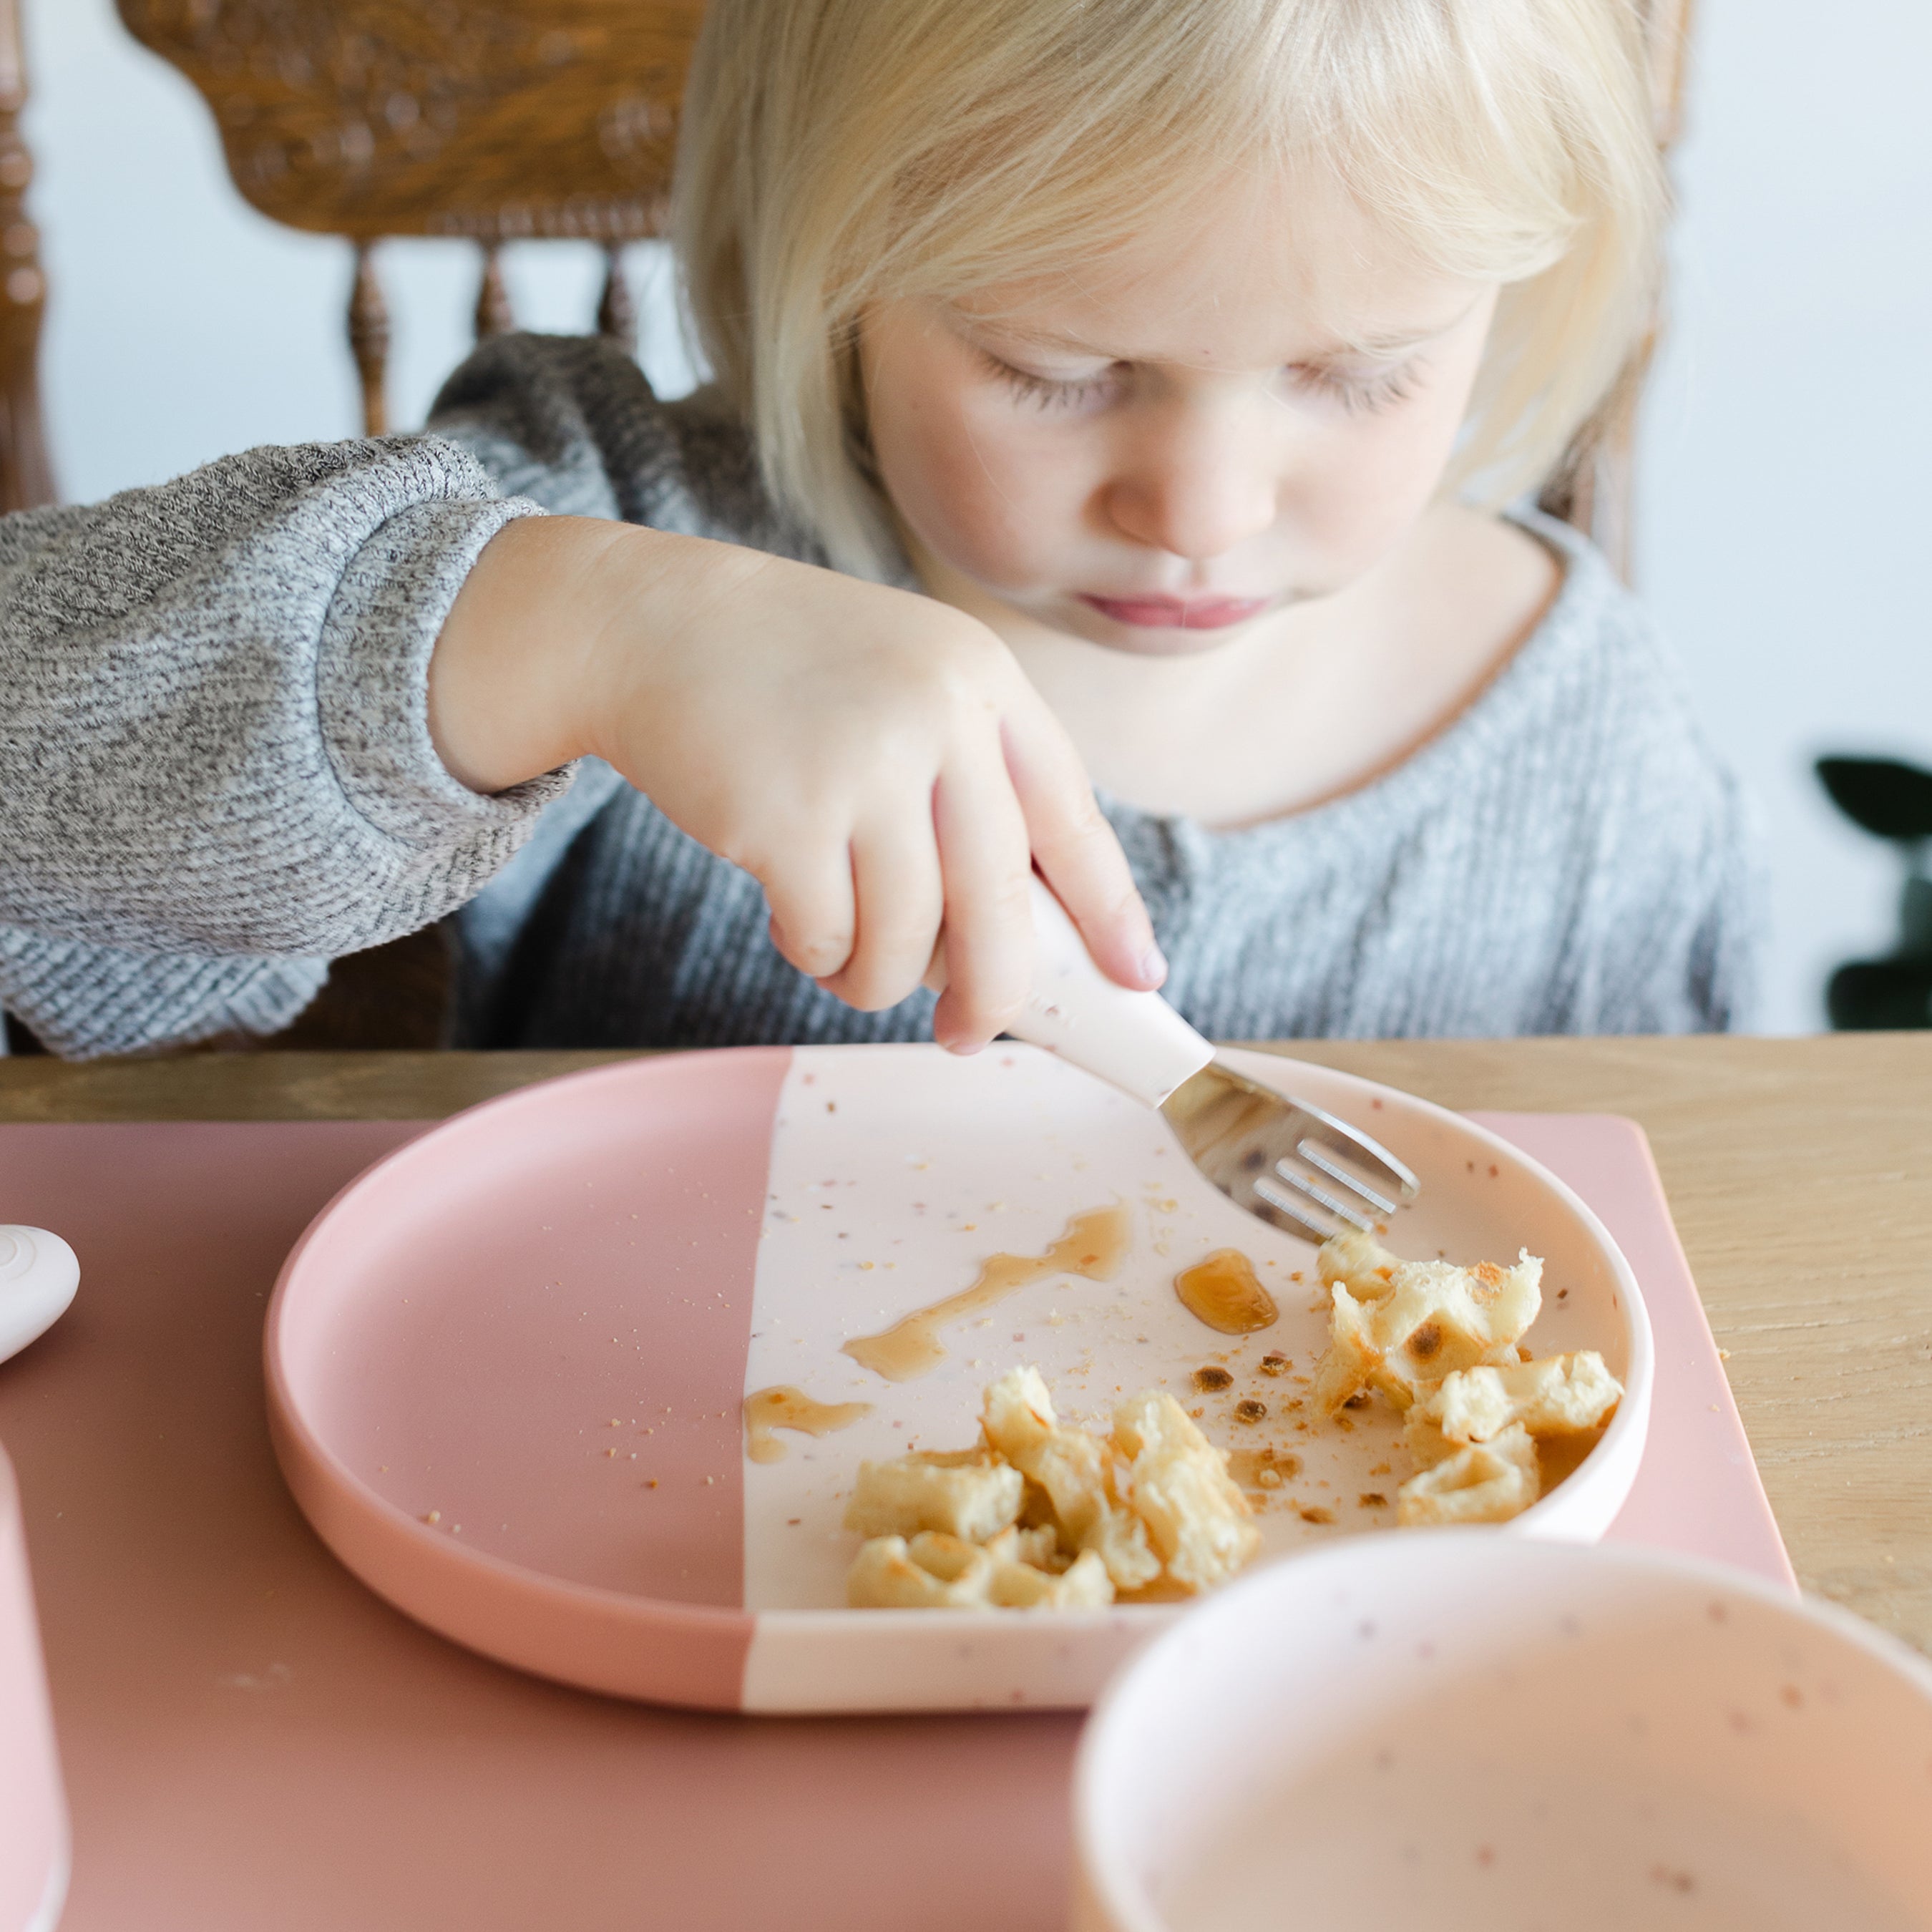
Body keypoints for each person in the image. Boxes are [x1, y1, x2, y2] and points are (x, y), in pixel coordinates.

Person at [0, 0, 1756, 1063]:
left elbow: (1685, 1279)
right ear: (829, 271)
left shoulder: (1597, 761)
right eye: (1056, 370)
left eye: (1358, 374)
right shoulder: (629, 526)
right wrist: (569, 628)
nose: (1200, 510)